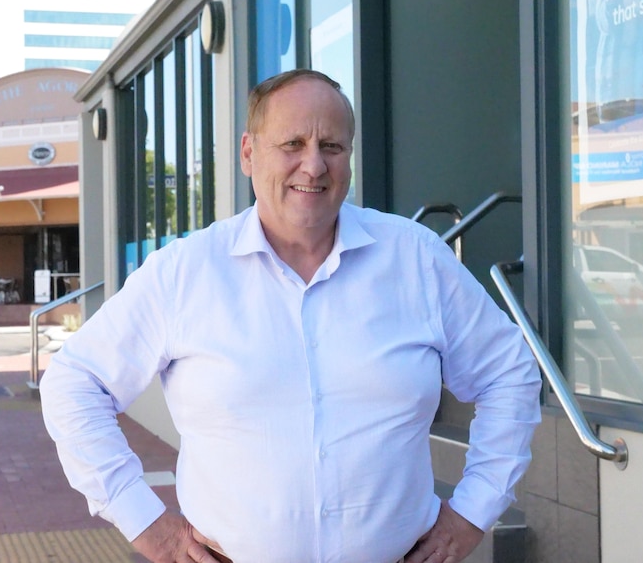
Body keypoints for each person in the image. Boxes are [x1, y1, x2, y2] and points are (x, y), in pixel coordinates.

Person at [40, 69, 541, 563]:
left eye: (332, 147)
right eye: (292, 144)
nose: (314, 165)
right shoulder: (185, 274)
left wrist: (473, 512)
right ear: (248, 153)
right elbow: (74, 381)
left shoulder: (416, 260)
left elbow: (509, 371)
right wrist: (146, 523)